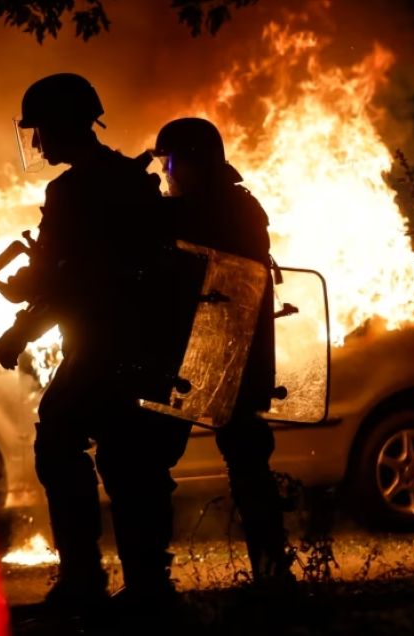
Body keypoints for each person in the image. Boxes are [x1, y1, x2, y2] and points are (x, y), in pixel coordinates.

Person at [0, 73, 185, 617]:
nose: (38, 143)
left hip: (102, 346)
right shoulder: (131, 179)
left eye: (42, 130)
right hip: (144, 346)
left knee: (58, 443)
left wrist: (21, 326)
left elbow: (69, 282)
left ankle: (84, 580)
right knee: (131, 463)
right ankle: (148, 586)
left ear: (64, 125)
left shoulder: (72, 191)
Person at [150, 117, 294, 583]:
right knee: (245, 462)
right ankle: (272, 575)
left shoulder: (215, 210)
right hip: (223, 354)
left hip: (215, 355)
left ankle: (153, 580)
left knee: (153, 460)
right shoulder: (238, 205)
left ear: (196, 161)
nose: (169, 172)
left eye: (172, 161)